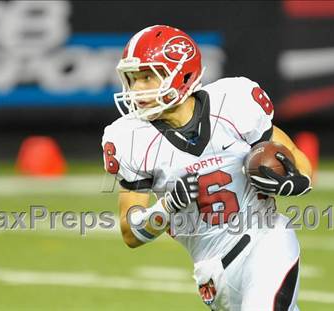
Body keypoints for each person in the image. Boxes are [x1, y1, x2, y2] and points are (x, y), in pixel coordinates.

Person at [102, 25, 312, 311]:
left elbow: (296, 158)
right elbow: (130, 232)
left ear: (182, 74)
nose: (137, 89)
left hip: (266, 240)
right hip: (211, 270)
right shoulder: (130, 138)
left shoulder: (234, 103)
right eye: (133, 79)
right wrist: (166, 208)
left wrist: (297, 181)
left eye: (148, 77)